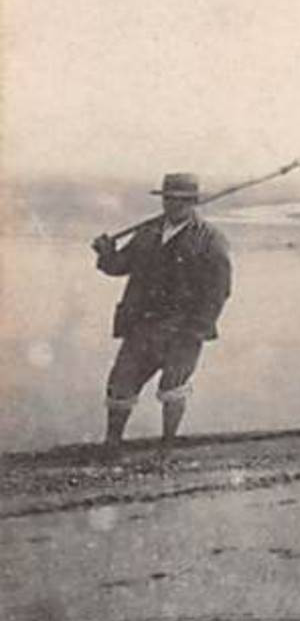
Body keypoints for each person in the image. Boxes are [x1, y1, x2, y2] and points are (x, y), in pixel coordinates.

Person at [92, 173, 233, 455]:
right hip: (141, 326)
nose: (172, 205)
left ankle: (167, 446)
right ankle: (112, 444)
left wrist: (196, 331)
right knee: (120, 383)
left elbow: (218, 292)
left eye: (181, 201)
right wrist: (107, 253)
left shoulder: (210, 239)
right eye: (168, 199)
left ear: (193, 202)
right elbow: (119, 266)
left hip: (183, 329)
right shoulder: (147, 233)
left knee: (173, 387)